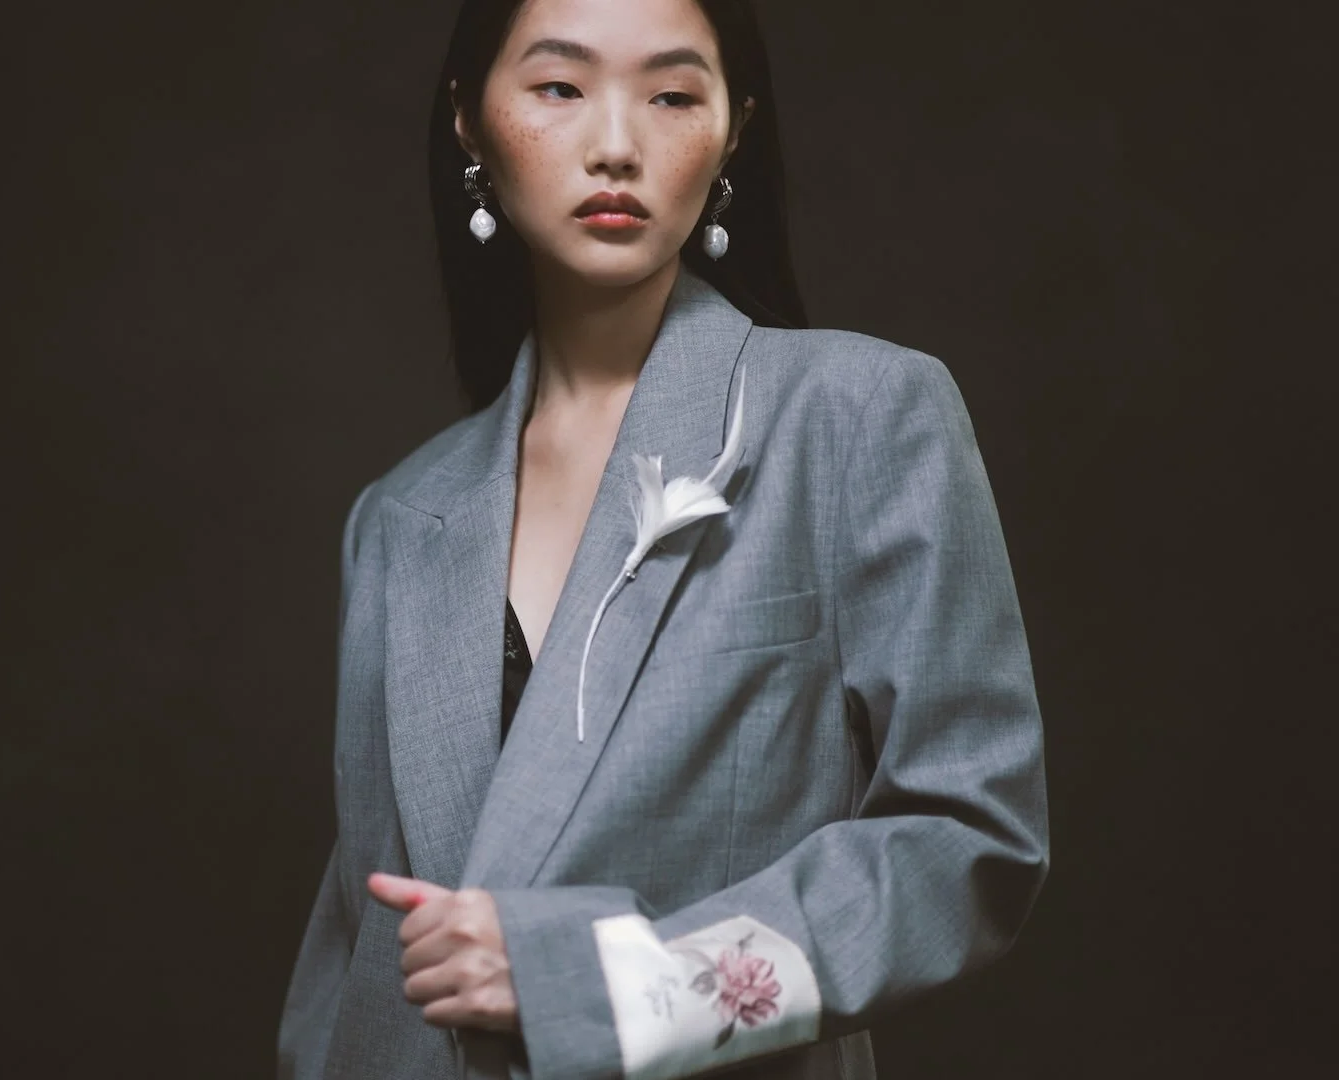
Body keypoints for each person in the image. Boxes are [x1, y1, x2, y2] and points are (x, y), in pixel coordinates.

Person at [276, 1, 1049, 1077]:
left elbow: (969, 841)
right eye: (560, 87)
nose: (616, 144)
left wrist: (615, 988)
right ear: (469, 119)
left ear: (733, 131)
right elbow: (351, 943)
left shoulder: (858, 412)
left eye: (673, 95)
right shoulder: (400, 518)